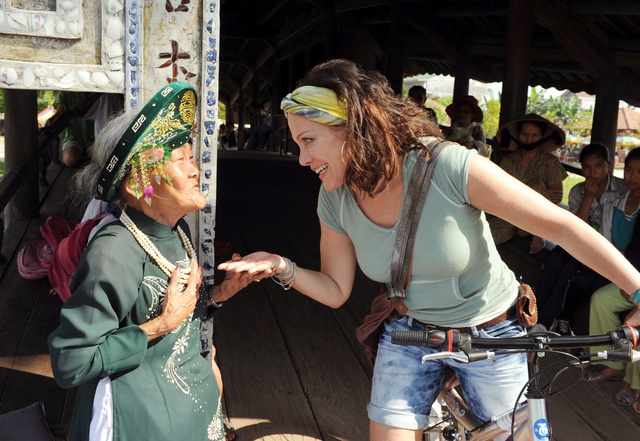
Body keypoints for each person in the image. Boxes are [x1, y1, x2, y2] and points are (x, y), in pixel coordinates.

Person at [217, 59, 640, 441]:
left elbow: (562, 226)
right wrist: (280, 266)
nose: (301, 158)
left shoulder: (450, 165)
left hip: (494, 334)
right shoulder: (335, 198)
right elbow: (334, 289)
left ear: (354, 126)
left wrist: (637, 291)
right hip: (411, 332)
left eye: (308, 140)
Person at [48, 82, 256, 441]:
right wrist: (161, 324)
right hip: (137, 420)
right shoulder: (115, 250)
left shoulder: (178, 232)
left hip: (190, 407)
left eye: (192, 157)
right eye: (180, 161)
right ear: (136, 186)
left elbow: (178, 311)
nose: (195, 171)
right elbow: (71, 362)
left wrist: (220, 293)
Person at [533, 143, 628, 333]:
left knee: (570, 269)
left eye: (598, 166)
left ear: (608, 165)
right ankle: (537, 315)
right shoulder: (578, 191)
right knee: (552, 260)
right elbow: (577, 228)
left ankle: (547, 320)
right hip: (580, 242)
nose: (593, 172)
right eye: (587, 167)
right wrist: (588, 197)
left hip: (606, 248)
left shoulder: (622, 189)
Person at [585, 148, 640, 407]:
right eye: (629, 169)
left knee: (635, 324)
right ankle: (612, 363)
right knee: (601, 300)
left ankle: (633, 383)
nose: (633, 176)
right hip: (633, 279)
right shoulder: (617, 203)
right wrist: (629, 284)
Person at [489, 113, 567, 254]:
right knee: (486, 237)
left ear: (542, 137)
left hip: (540, 218)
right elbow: (500, 191)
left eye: (534, 135)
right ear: (518, 135)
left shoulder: (550, 162)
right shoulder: (509, 161)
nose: (529, 139)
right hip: (511, 214)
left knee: (534, 185)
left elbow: (557, 196)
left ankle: (538, 233)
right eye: (525, 134)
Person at [54, 90, 96, 168]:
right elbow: (59, 112)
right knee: (69, 159)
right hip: (74, 137)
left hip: (95, 137)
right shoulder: (65, 93)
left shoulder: (96, 92)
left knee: (99, 159)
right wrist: (51, 122)